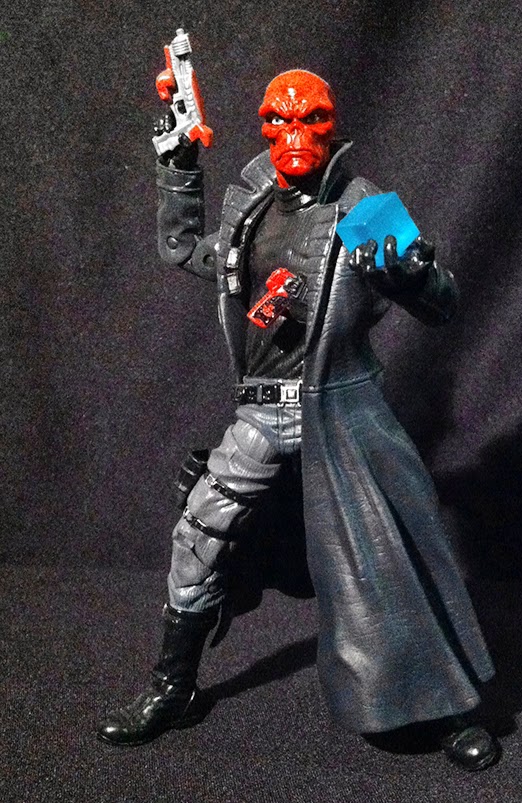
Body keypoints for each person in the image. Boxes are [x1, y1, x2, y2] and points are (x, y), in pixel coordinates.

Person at [98, 69, 500, 771]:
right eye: (278, 120)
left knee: (394, 560)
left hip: (342, 415)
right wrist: (179, 167)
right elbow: (183, 249)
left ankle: (449, 709)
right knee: (196, 538)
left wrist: (408, 274)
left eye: (310, 118)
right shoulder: (251, 205)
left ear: (331, 125)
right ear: (262, 127)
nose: (293, 133)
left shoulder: (365, 207)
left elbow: (444, 302)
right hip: (262, 415)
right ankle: (174, 687)